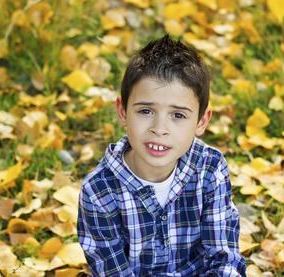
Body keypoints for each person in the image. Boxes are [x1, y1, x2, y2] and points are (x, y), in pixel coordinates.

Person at [77, 34, 247, 277]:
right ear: (123, 112)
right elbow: (112, 271)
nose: (160, 128)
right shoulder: (98, 191)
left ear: (201, 121)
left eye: (178, 115)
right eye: (146, 111)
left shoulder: (210, 168)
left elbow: (223, 257)